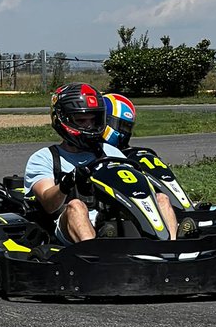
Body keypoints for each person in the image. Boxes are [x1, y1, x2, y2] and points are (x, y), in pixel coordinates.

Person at [25, 83, 176, 243]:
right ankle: (93, 251)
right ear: (63, 119)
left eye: (93, 120)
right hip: (68, 227)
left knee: (161, 199)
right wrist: (68, 182)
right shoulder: (44, 158)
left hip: (113, 218)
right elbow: (49, 204)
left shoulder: (110, 152)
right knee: (76, 205)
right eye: (82, 120)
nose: (89, 126)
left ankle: (170, 249)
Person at [100, 91, 179, 234]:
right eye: (122, 126)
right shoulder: (94, 152)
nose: (125, 132)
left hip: (130, 199)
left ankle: (172, 240)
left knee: (162, 198)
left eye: (128, 128)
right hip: (107, 204)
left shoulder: (119, 154)